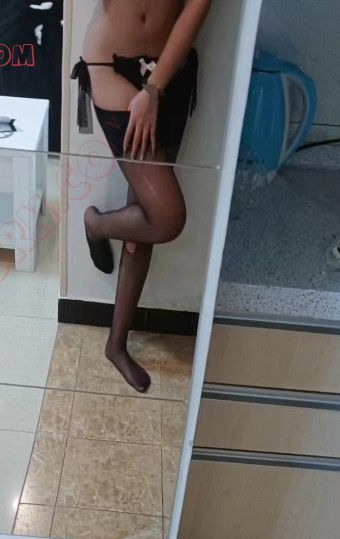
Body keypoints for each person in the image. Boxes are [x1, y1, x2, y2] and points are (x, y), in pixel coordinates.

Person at [71, 0, 212, 393]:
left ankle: (116, 344)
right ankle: (96, 225)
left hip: (170, 71)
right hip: (111, 66)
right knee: (166, 217)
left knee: (147, 218)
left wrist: (154, 88)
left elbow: (197, 7)